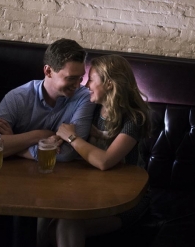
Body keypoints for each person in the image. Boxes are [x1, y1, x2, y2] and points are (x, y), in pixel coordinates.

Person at [0, 38, 96, 247]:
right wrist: (39, 135)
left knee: (45, 220)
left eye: (80, 78)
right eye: (71, 78)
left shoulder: (83, 98)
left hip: (56, 186)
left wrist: (13, 145)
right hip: (6, 184)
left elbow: (67, 153)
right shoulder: (19, 97)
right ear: (48, 71)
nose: (77, 85)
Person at [38, 54, 151, 247]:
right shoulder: (92, 108)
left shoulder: (134, 118)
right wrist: (57, 139)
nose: (86, 84)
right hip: (91, 191)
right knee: (43, 217)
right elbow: (66, 129)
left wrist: (72, 138)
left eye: (91, 79)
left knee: (66, 222)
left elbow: (105, 161)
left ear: (109, 84)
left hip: (125, 200)